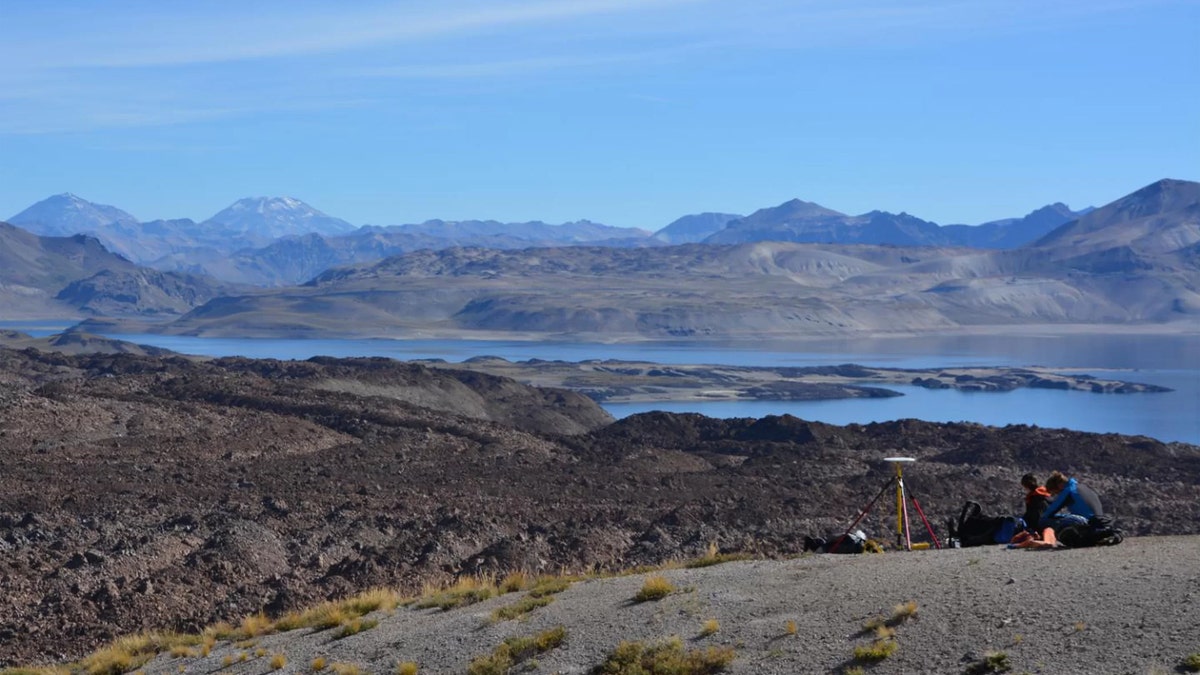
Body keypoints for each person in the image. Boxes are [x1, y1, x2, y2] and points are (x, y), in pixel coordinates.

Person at [1039, 470, 1103, 534]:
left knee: (1044, 521)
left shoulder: (1068, 491)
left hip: (1088, 522)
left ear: (1059, 486)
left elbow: (1051, 510)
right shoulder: (1081, 487)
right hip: (1098, 521)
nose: (1058, 495)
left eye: (1056, 492)